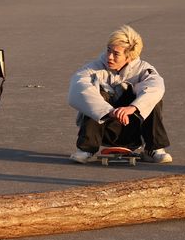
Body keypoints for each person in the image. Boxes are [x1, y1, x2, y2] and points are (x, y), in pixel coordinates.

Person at [67, 25, 172, 164]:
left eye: (116, 54)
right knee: (93, 92)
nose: (109, 57)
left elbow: (156, 87)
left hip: (133, 128)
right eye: (108, 50)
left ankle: (154, 149)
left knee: (152, 97)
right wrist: (109, 111)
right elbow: (77, 88)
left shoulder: (144, 70)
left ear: (129, 56)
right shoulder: (94, 68)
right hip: (104, 128)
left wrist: (133, 108)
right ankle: (87, 149)